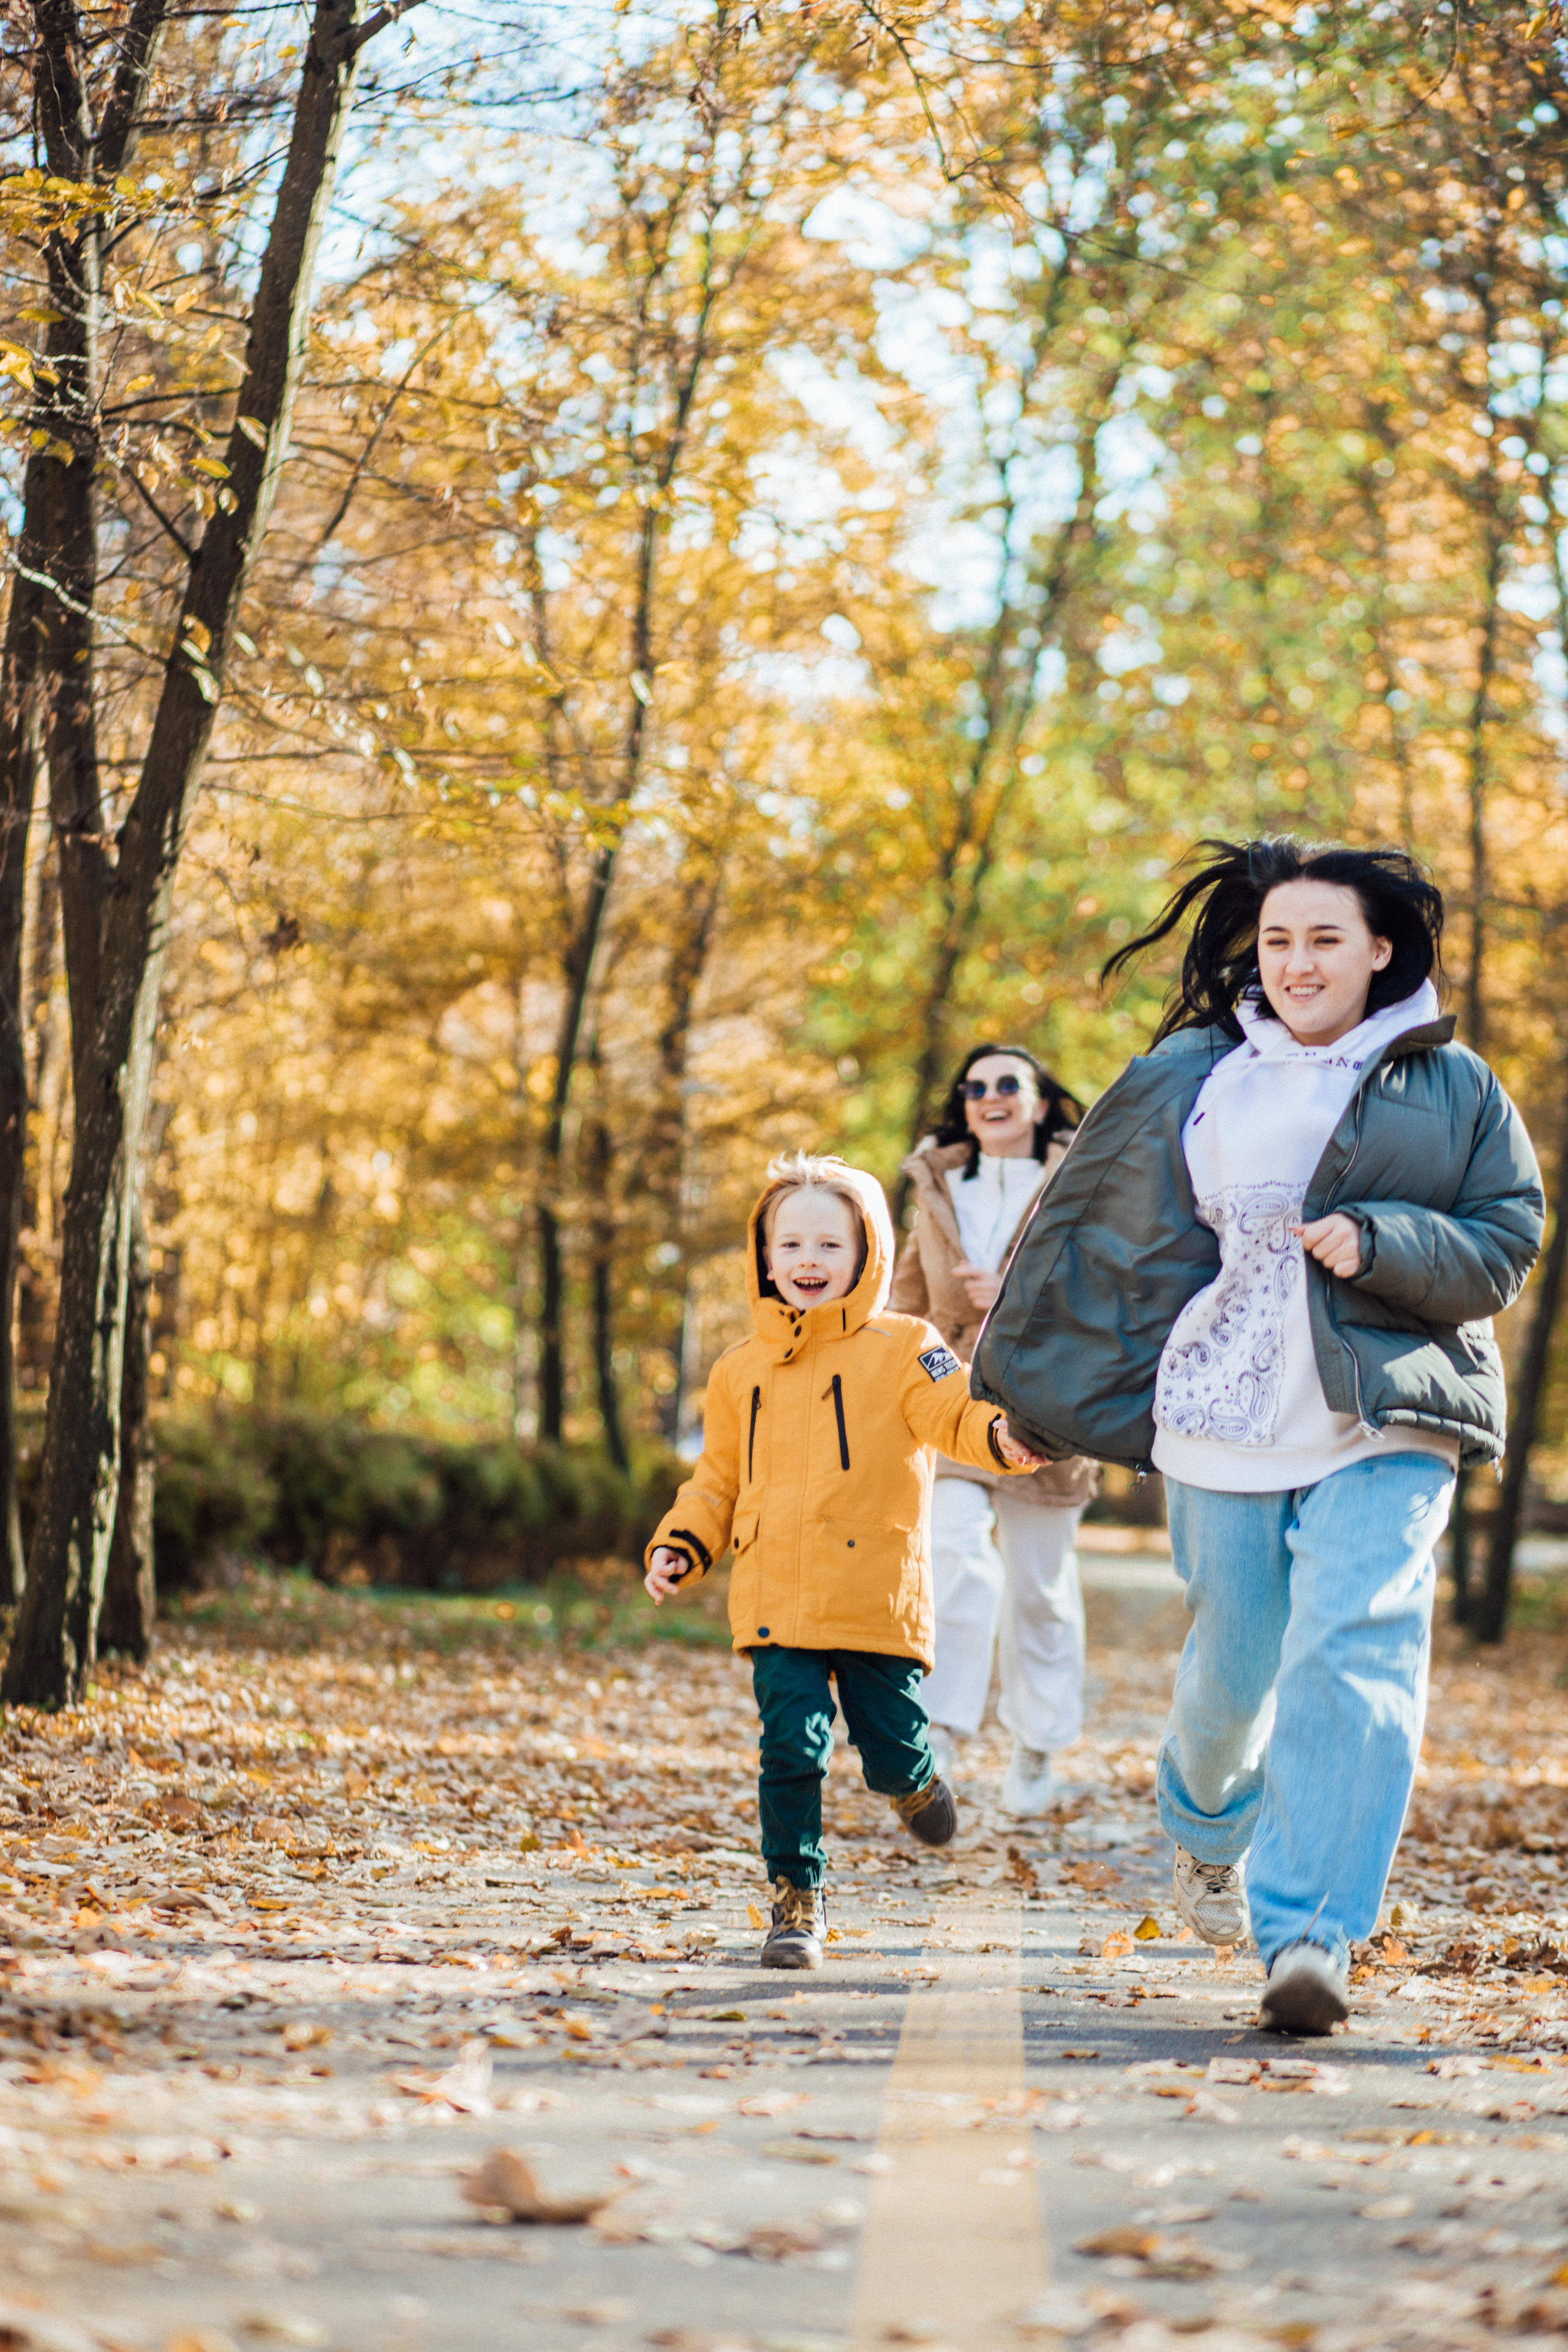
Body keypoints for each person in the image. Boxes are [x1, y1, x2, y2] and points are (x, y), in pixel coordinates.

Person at [972, 838, 1543, 2035]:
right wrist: (1039, 1390)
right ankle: (1205, 1828)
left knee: (1357, 1645)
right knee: (1232, 1671)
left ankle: (1309, 1937)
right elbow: (1104, 1242)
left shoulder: (1450, 1086)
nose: (1294, 962)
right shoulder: (1198, 1072)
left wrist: (1382, 1242)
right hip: (1220, 1413)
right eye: (1276, 939)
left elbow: (1503, 1239)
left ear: (1380, 950)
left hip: (1384, 1409)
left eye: (1324, 939)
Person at [644, 1151, 1043, 1969]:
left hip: (875, 1594)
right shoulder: (738, 1370)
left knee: (887, 1746)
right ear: (765, 1255)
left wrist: (1002, 1438)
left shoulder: (906, 1346)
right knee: (792, 1746)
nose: (809, 1263)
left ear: (868, 1254)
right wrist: (681, 1542)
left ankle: (915, 1782)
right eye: (791, 1246)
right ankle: (796, 1900)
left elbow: (955, 1412)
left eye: (830, 1246)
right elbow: (716, 1480)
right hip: (774, 1591)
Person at [891, 1044, 1098, 1815]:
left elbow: (1108, 1287)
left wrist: (1009, 1296)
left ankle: (1038, 1744)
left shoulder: (1084, 1181)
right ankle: (942, 1726)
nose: (990, 1097)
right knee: (949, 1546)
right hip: (955, 1399)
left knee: (1040, 1588)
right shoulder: (937, 1186)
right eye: (975, 1088)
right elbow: (908, 1301)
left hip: (1050, 1399)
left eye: (1009, 1084)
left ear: (1041, 1103)